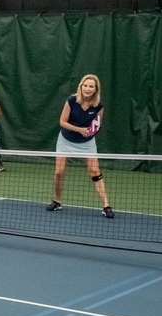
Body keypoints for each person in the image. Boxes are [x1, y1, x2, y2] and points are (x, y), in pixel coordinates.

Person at [47, 73, 113, 218]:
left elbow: (97, 124)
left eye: (91, 86)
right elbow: (62, 122)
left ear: (95, 89)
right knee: (59, 172)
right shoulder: (71, 101)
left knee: (95, 173)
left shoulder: (99, 106)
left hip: (87, 143)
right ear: (81, 86)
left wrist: (91, 132)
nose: (88, 89)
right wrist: (80, 130)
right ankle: (57, 201)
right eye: (85, 85)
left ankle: (106, 206)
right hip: (66, 140)